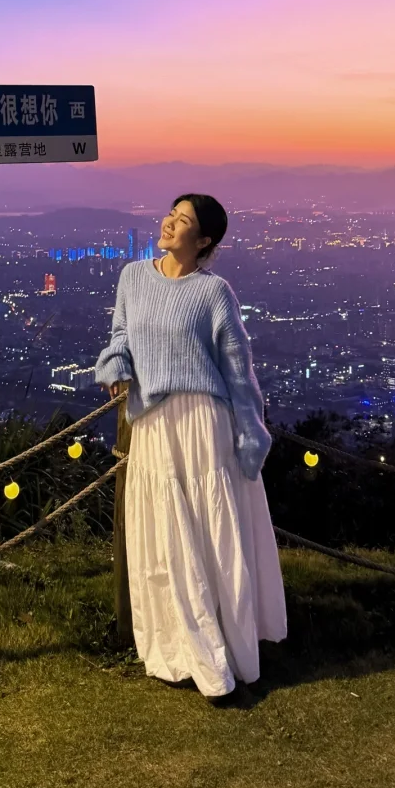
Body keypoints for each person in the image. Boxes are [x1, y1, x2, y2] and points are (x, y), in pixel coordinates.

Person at [94, 193, 287, 701]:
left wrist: (250, 432)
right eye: (171, 214)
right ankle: (178, 645)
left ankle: (220, 651)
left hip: (203, 423)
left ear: (203, 241)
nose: (169, 223)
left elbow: (237, 369)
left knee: (208, 532)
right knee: (165, 533)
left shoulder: (214, 292)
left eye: (183, 221)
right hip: (153, 424)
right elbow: (119, 335)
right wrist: (116, 369)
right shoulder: (133, 277)